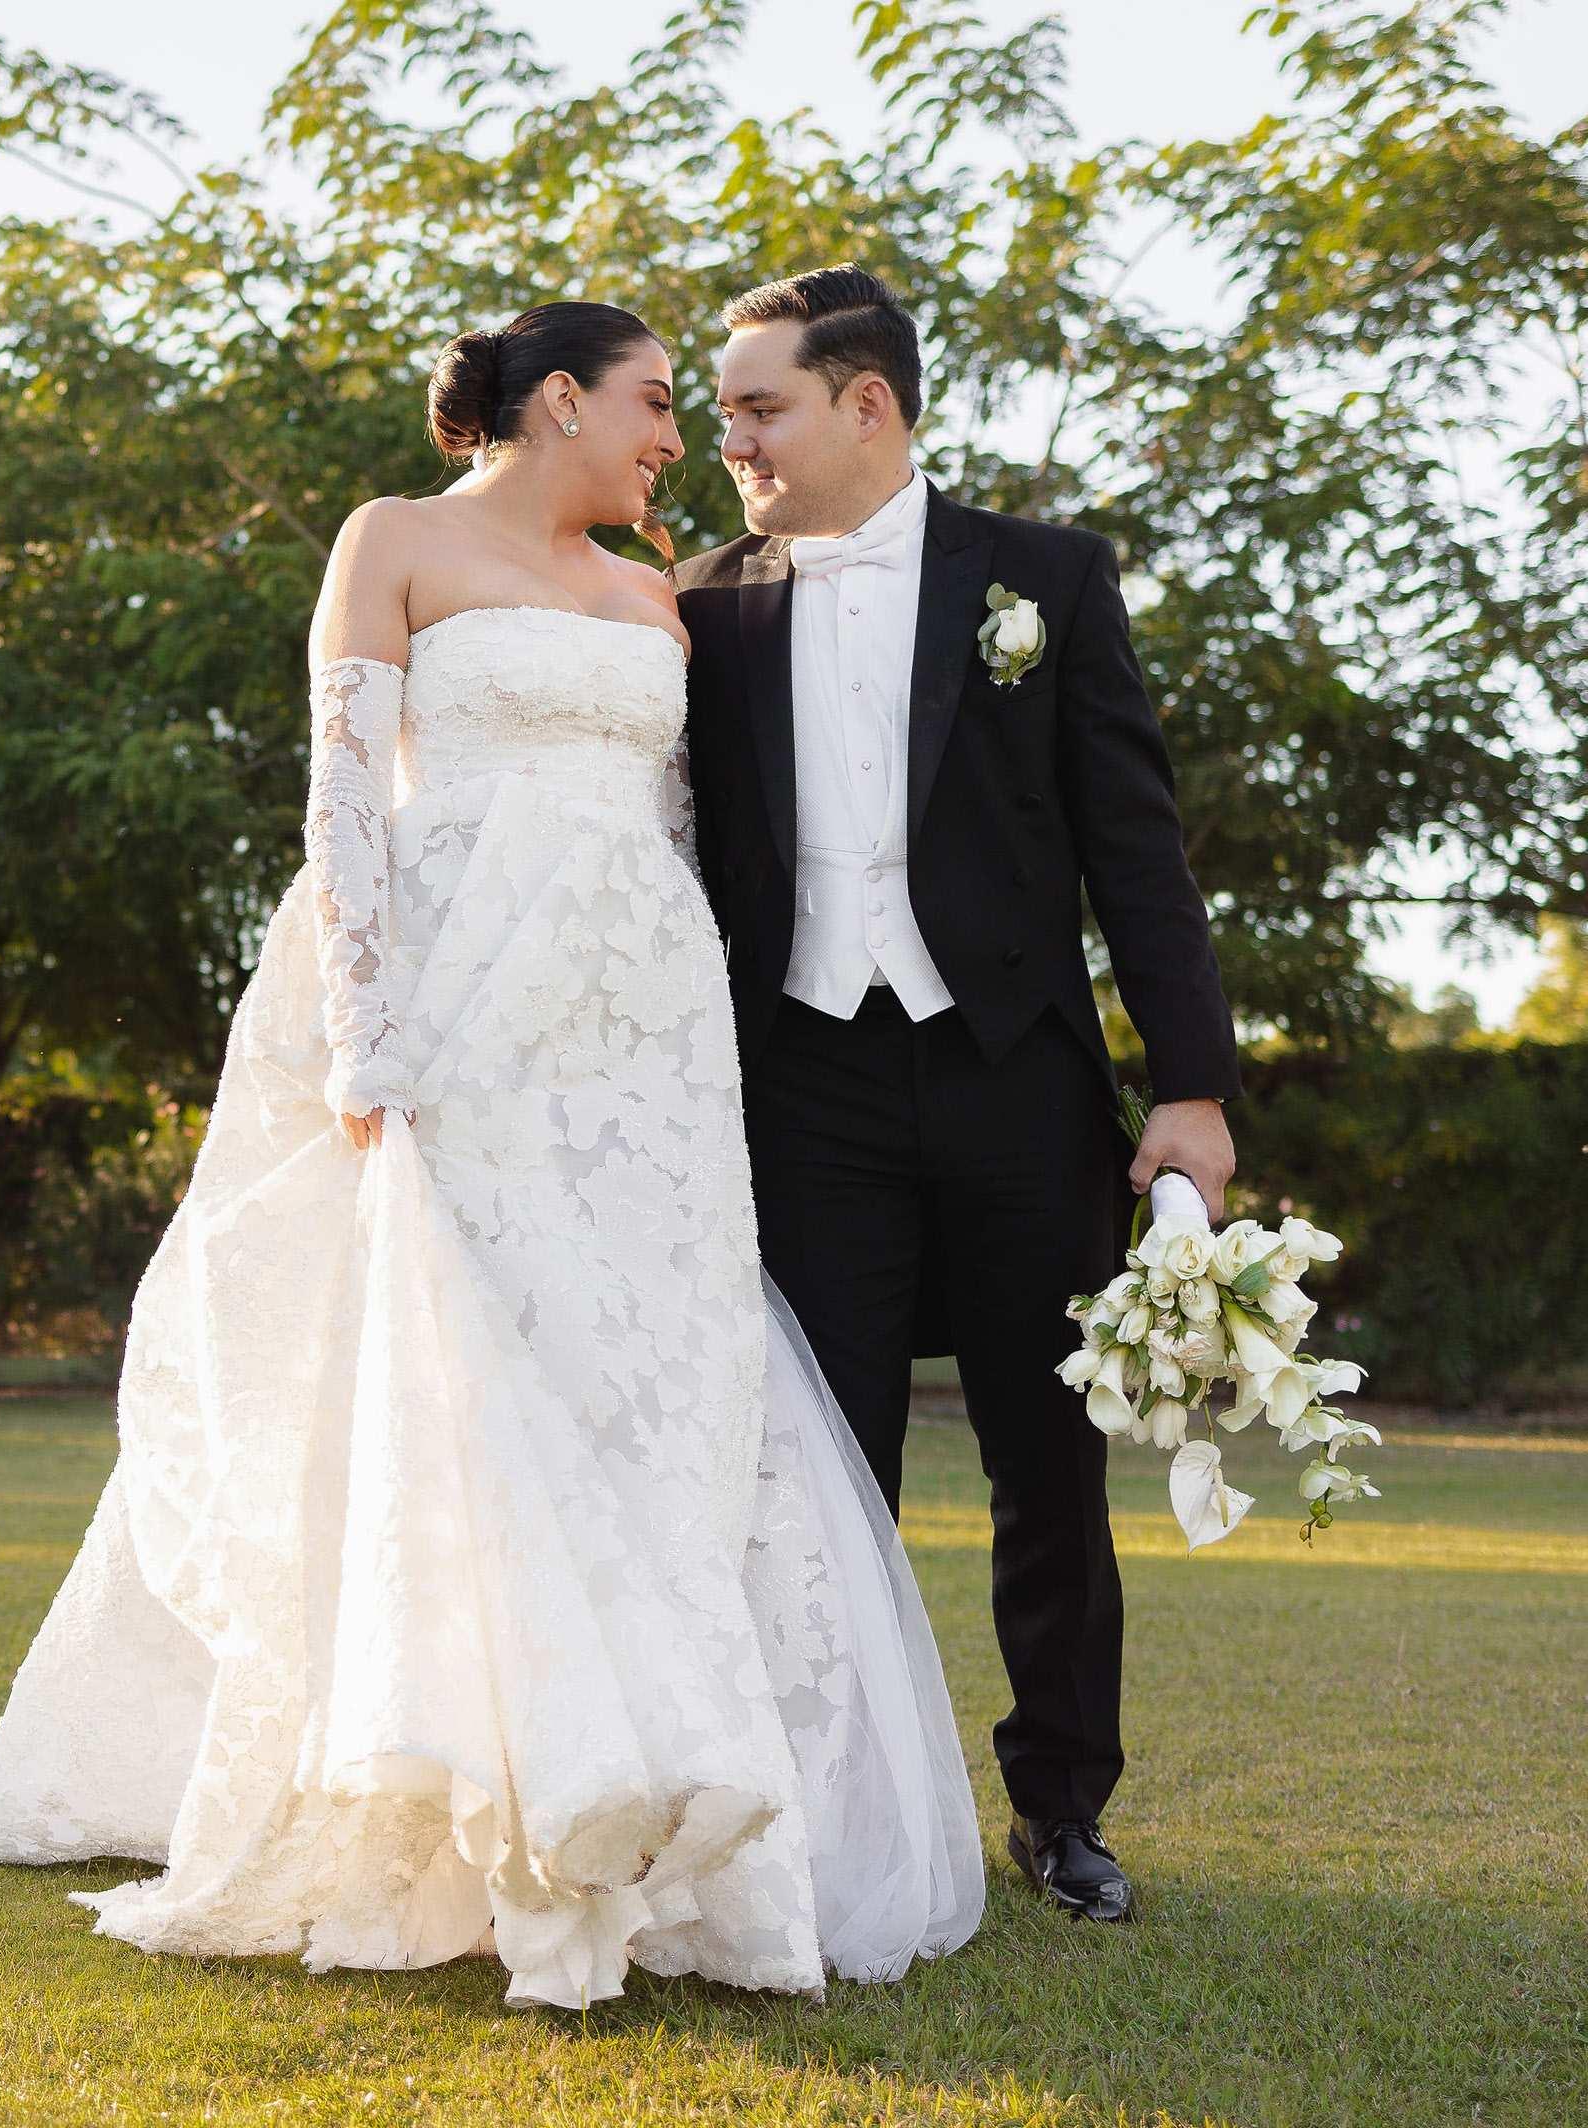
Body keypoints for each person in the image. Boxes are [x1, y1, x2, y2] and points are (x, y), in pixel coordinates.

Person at [0, 300, 984, 2009]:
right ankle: (484, 1772)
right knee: (464, 1354)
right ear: (559, 399)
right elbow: (345, 789)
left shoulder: (657, 594)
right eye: (658, 404)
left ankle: (669, 1773)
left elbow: (681, 839)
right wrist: (365, 1024)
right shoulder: (395, 541)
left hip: (638, 1038)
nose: (681, 441)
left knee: (640, 1372)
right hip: (458, 991)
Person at [673, 264, 1242, 1925]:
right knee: (818, 1474)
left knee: (1047, 1471)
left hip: (1017, 1086)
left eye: (760, 409)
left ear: (869, 404)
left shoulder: (1045, 581)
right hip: (801, 1091)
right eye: (722, 416)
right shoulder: (700, 604)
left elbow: (1137, 849)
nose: (731, 444)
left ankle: (1062, 1812)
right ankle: (832, 1818)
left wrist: (1193, 1087)